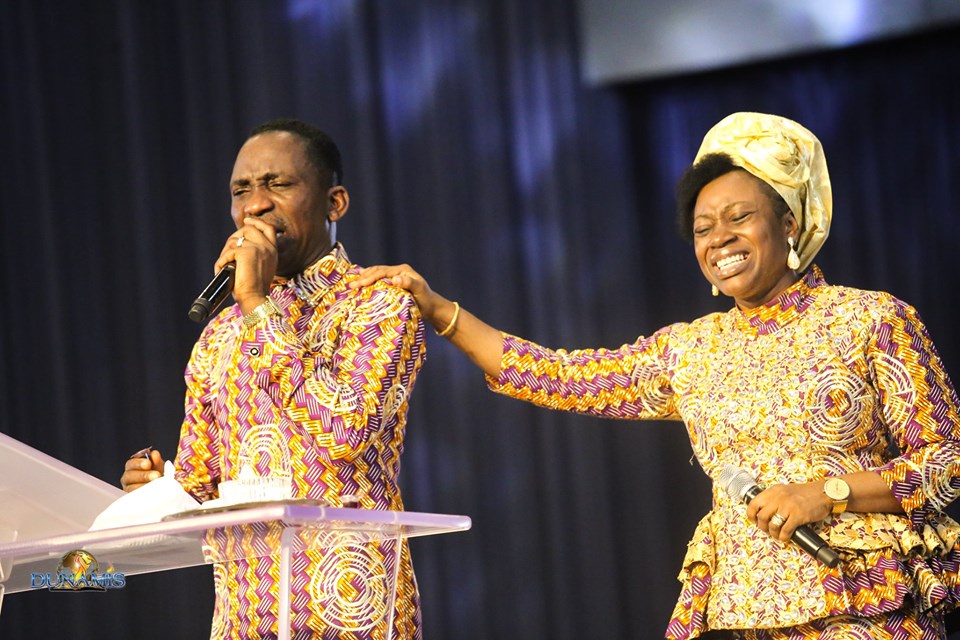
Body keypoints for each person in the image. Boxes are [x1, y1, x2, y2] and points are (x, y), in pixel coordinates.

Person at [352, 112, 960, 638]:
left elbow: (948, 464)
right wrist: (440, 311)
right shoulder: (692, 349)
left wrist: (823, 494)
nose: (720, 238)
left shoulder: (869, 319)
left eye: (739, 217)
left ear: (790, 224)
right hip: (736, 612)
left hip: (862, 601)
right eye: (703, 228)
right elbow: (557, 376)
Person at [121, 118, 427, 640]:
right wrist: (156, 488)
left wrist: (256, 303)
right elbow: (201, 484)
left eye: (277, 184)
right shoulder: (220, 334)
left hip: (349, 614)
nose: (255, 205)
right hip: (244, 617)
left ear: (335, 203)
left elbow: (345, 432)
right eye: (241, 190)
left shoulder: (379, 303)